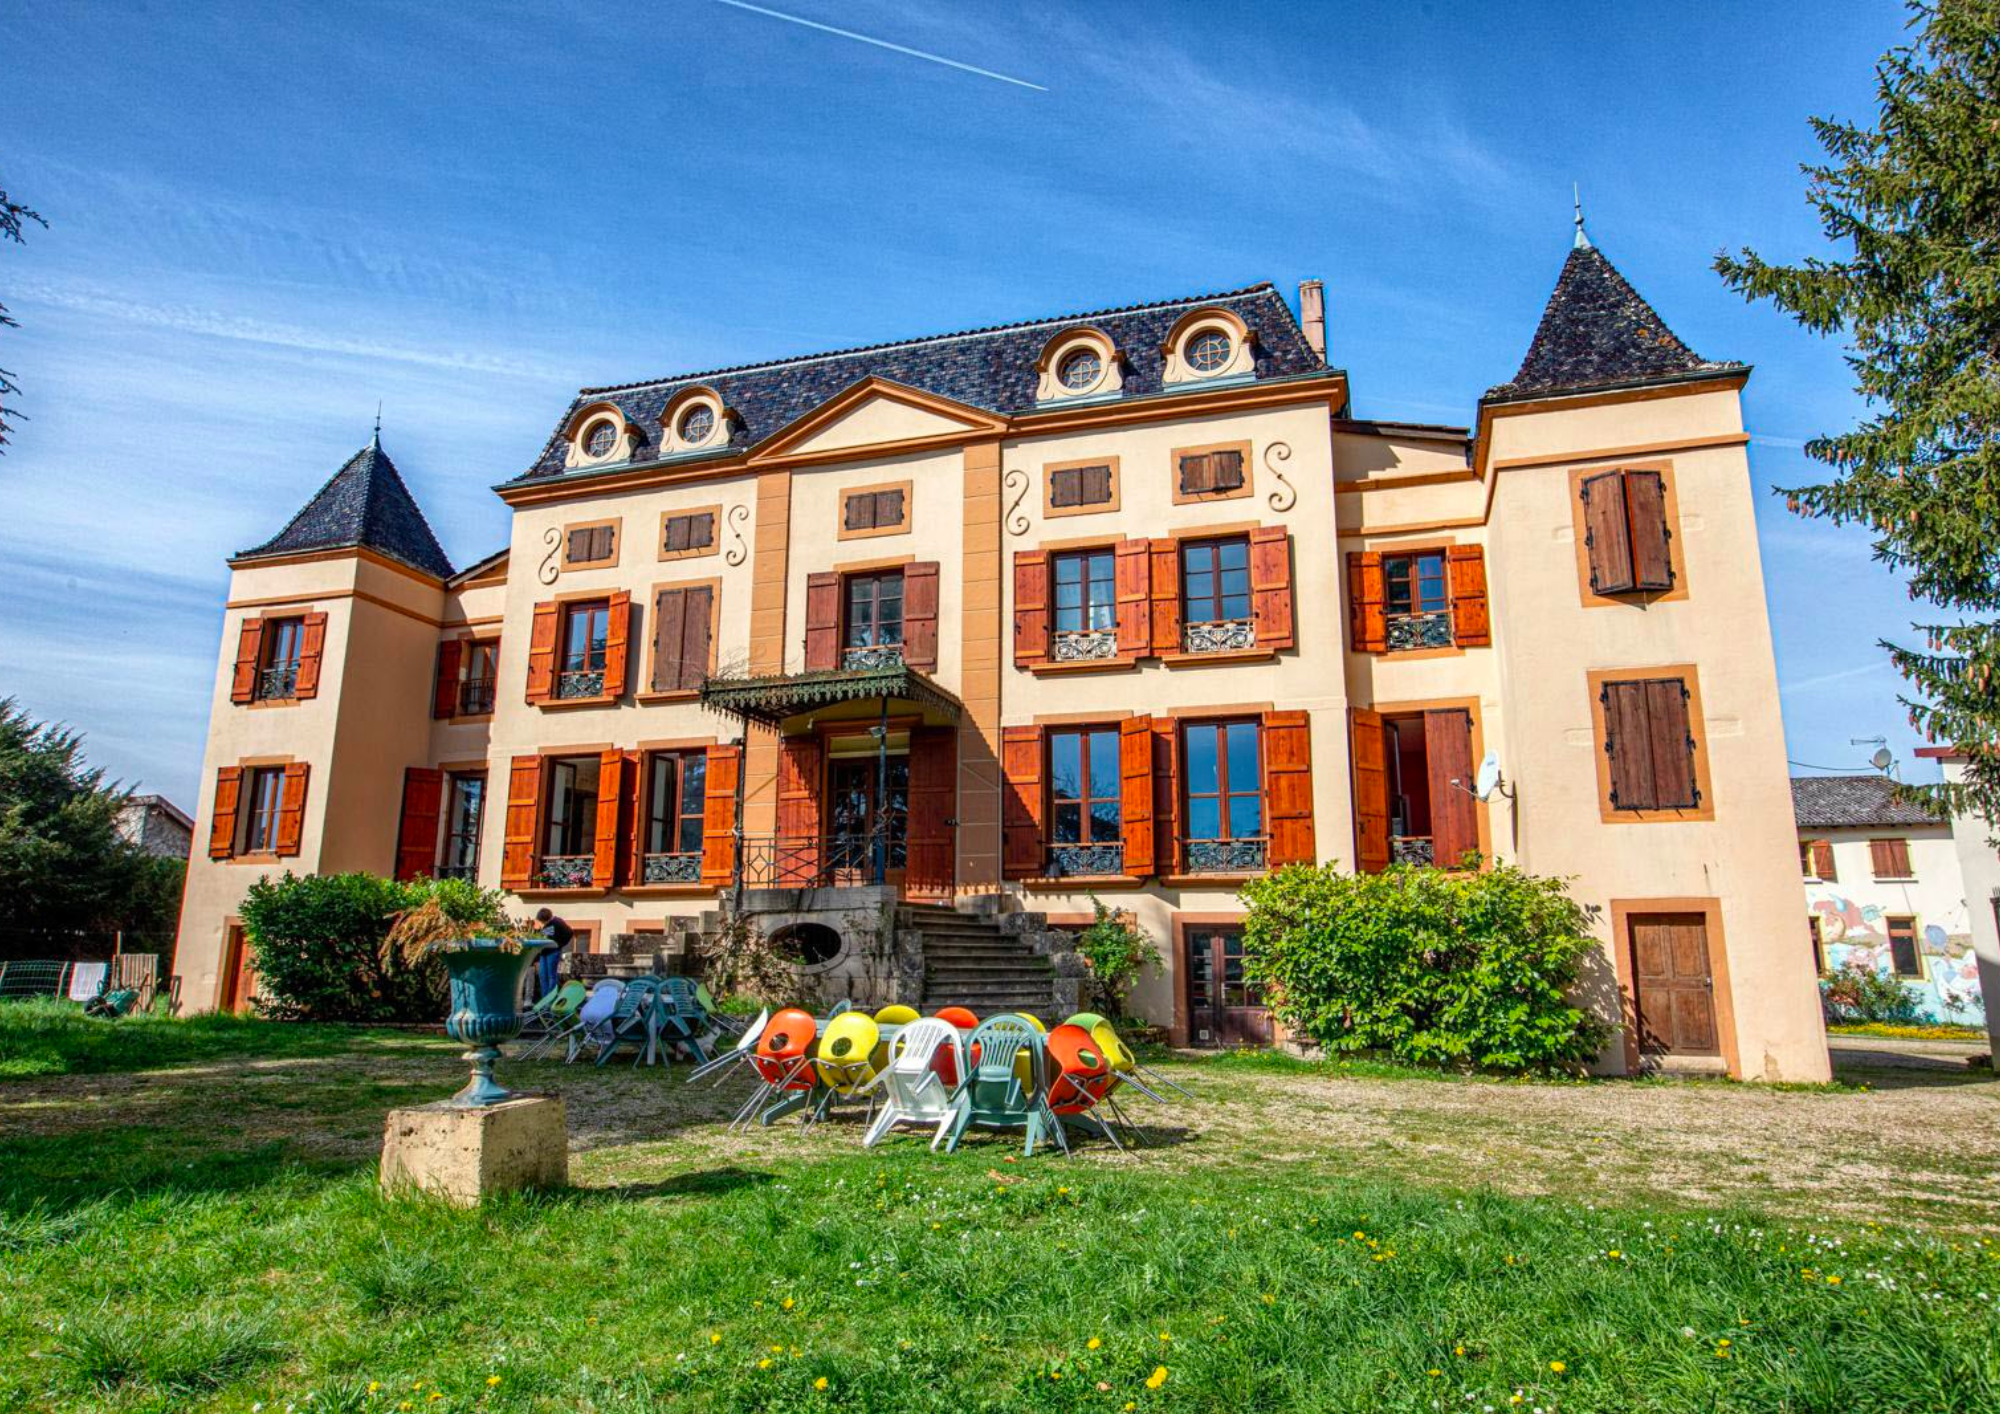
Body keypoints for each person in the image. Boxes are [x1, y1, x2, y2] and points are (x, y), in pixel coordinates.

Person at [534, 908, 574, 1000]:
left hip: (553, 952)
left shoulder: (558, 922)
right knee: (543, 976)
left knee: (551, 976)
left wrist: (559, 945)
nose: (543, 922)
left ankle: (550, 998)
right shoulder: (546, 925)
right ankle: (544, 999)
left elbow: (570, 933)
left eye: (543, 921)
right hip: (544, 953)